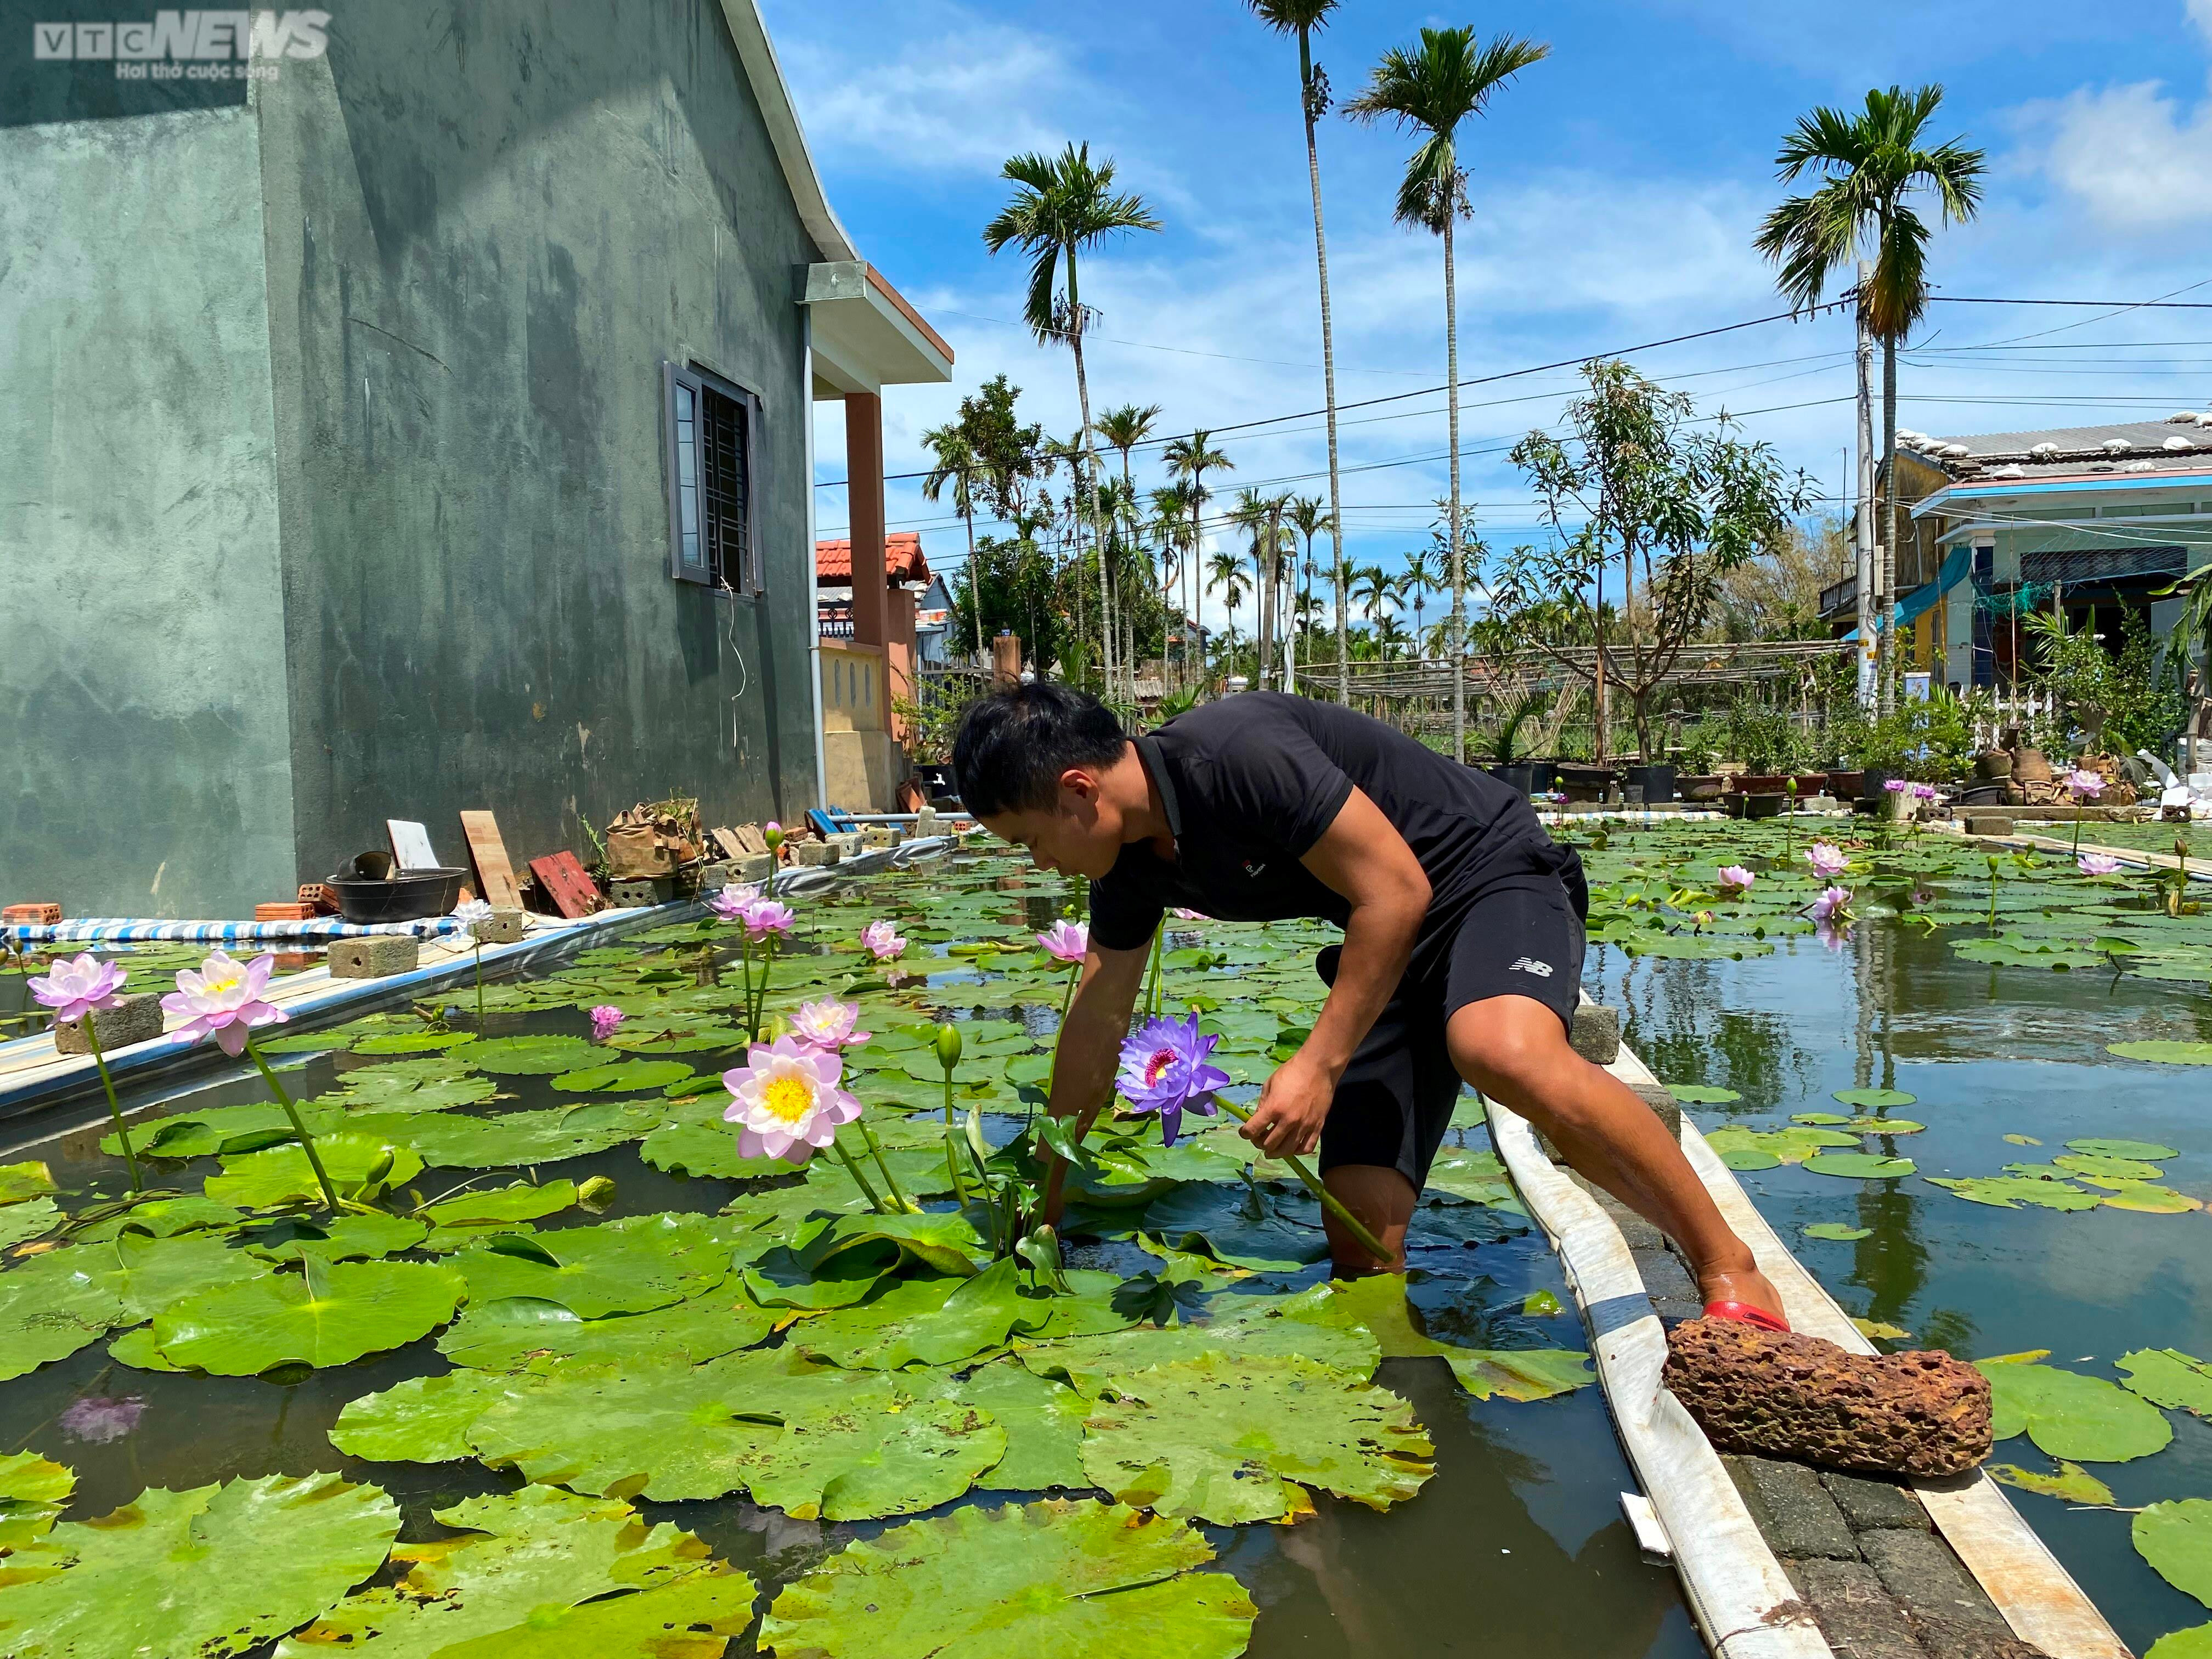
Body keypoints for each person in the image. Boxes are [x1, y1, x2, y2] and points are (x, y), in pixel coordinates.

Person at [951, 681, 1787, 1328]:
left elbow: (1397, 887)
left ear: (1078, 791)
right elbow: (1097, 1025)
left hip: (1486, 880)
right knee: (1359, 1244)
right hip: (1384, 942)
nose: (1042, 865)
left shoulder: (1236, 752)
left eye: (1030, 841)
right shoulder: (1128, 863)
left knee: (1498, 1049)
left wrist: (1318, 1066)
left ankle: (1728, 1266)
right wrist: (1044, 1200)